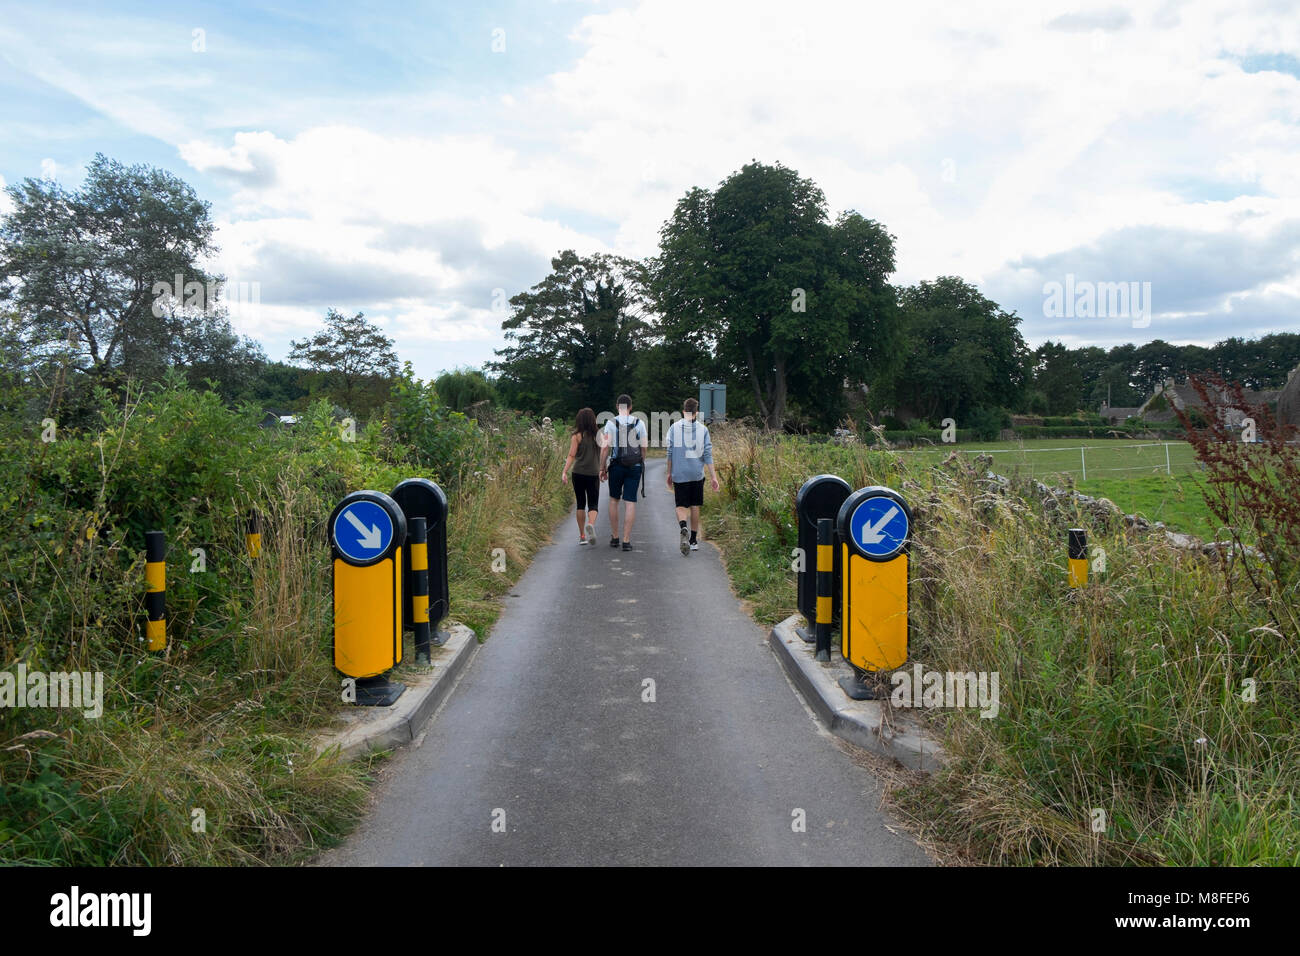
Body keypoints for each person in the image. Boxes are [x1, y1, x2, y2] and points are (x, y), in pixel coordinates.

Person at [664, 397, 719, 555]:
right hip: (696, 473)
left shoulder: (674, 428)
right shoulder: (703, 430)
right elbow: (708, 454)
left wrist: (669, 473)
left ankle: (683, 527)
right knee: (695, 505)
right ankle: (693, 540)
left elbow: (670, 452)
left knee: (681, 506)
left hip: (679, 473)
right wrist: (714, 477)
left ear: (683, 411)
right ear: (696, 413)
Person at [599, 393, 646, 552]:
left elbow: (605, 448)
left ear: (617, 407)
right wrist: (641, 461)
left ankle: (615, 537)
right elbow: (644, 447)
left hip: (617, 465)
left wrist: (602, 468)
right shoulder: (640, 423)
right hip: (635, 466)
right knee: (630, 501)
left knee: (614, 500)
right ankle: (626, 540)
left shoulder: (611, 423)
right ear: (631, 407)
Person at [561, 407, 601, 545]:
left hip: (578, 473)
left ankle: (582, 536)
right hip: (593, 473)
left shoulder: (576, 436)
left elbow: (571, 455)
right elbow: (602, 454)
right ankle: (590, 524)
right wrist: (603, 469)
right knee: (593, 504)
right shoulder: (599, 435)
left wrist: (564, 472)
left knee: (580, 504)